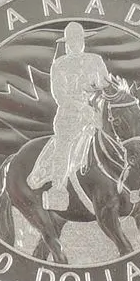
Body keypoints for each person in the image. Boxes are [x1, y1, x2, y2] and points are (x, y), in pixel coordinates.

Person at [27, 22, 110, 210]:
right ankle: (58, 190)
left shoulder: (96, 60)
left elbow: (106, 86)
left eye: (78, 40)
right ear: (67, 44)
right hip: (69, 116)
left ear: (83, 41)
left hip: (96, 113)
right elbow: (59, 95)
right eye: (71, 41)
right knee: (63, 147)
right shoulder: (60, 65)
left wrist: (98, 106)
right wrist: (82, 107)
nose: (75, 44)